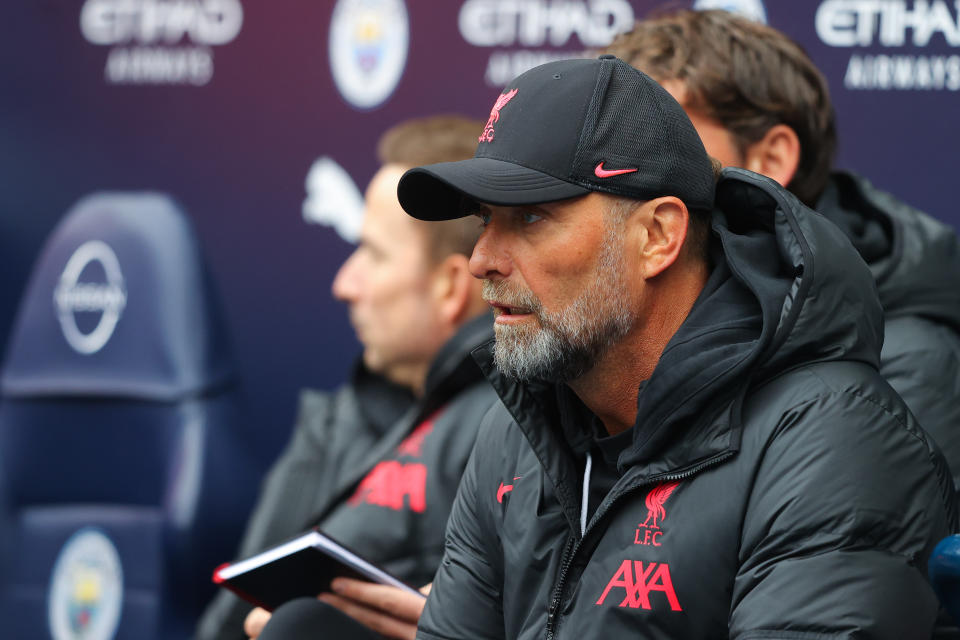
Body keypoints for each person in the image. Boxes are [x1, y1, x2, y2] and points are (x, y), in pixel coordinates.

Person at [395, 56, 955, 638]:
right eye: (486, 219)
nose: (482, 259)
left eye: (531, 217)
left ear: (658, 237)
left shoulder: (833, 441)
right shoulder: (515, 432)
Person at [602, 9, 960, 487]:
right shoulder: (607, 319)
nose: (621, 173)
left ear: (770, 159)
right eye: (610, 147)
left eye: (660, 139)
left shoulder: (904, 363)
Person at [194, 115, 494, 640]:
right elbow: (229, 620)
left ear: (450, 287)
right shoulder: (337, 419)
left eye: (373, 255)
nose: (343, 283)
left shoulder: (515, 432)